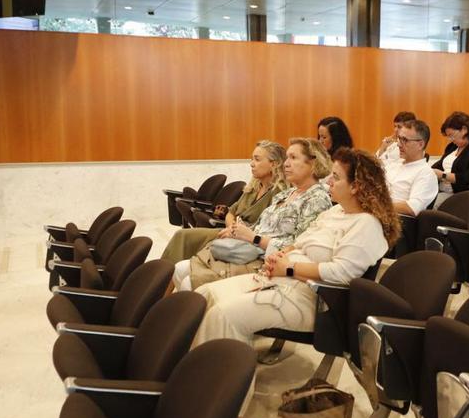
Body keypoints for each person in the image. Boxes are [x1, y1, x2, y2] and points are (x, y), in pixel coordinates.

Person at [192, 148, 399, 346]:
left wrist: (289, 268)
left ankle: (222, 380)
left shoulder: (366, 224)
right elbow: (299, 243)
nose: (329, 181)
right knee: (203, 295)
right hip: (282, 280)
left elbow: (341, 273)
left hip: (313, 299)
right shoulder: (335, 213)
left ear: (356, 187)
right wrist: (280, 256)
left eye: (336, 177)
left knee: (224, 316)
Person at [173, 138, 333, 291]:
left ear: (313, 164)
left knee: (188, 281)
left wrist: (254, 238)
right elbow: (257, 226)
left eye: (293, 157)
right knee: (179, 269)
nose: (286, 163)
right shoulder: (286, 194)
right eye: (287, 158)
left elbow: (299, 247)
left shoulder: (317, 199)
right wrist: (236, 232)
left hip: (265, 260)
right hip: (245, 250)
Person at [160, 141, 288, 263]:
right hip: (231, 233)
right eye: (252, 159)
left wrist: (235, 232)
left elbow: (268, 230)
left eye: (257, 159)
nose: (251, 163)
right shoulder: (253, 187)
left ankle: (163, 280)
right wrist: (232, 228)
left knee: (184, 238)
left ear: (274, 164)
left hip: (247, 242)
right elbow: (231, 212)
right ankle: (163, 280)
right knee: (181, 236)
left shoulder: (280, 194)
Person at [431, 111, 469, 204]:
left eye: (451, 135)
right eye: (448, 137)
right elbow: (439, 165)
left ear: (464, 130)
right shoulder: (453, 146)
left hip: (462, 196)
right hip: (440, 189)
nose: (450, 140)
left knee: (424, 206)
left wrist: (443, 175)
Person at [386, 119, 439, 215]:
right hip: (378, 215)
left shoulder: (426, 173)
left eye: (404, 140)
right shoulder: (394, 165)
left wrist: (379, 205)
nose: (398, 144)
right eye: (399, 138)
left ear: (420, 144)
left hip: (397, 223)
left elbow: (412, 208)